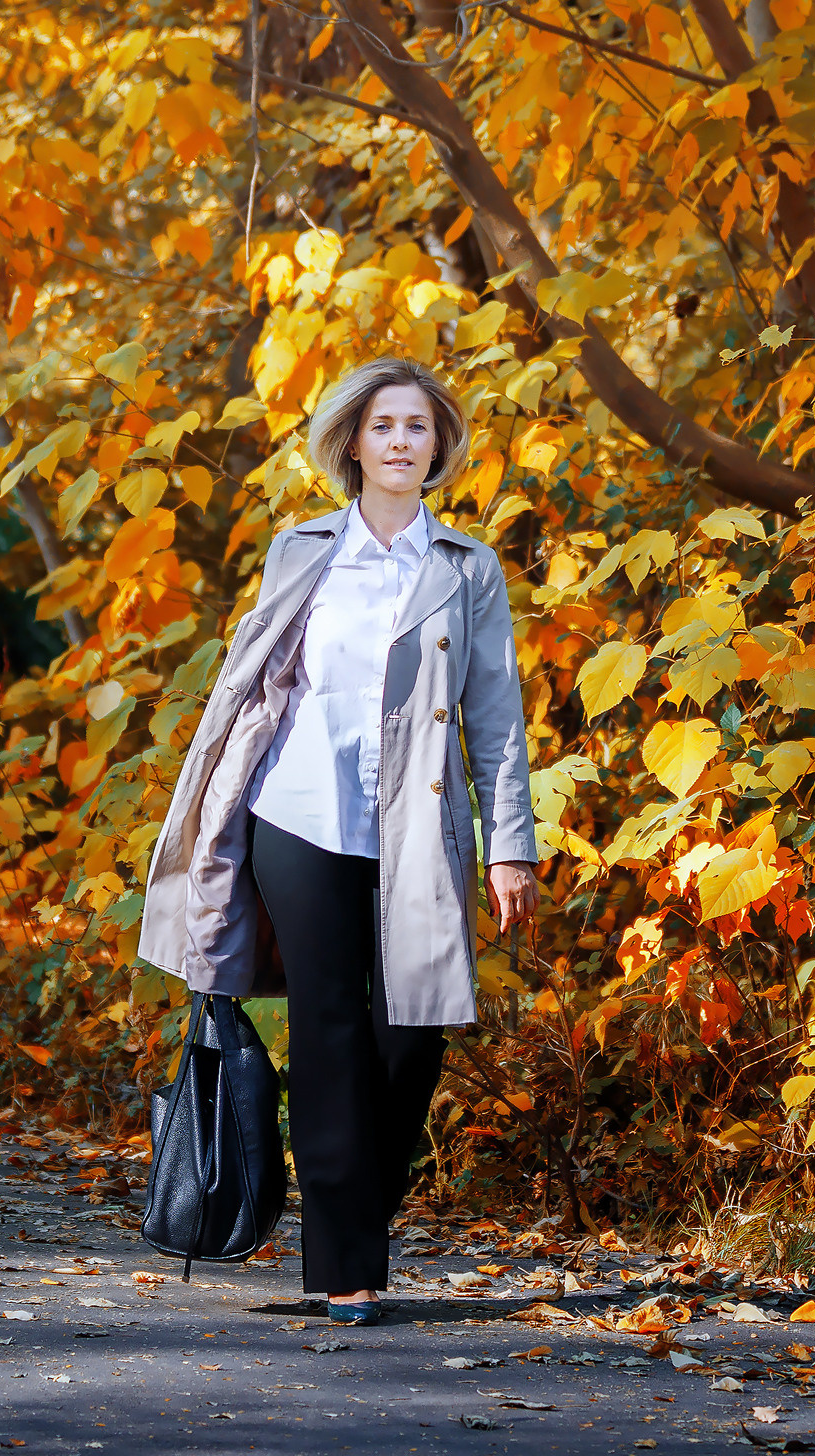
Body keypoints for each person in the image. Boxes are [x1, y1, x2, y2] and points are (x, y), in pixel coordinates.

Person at [136, 357, 539, 1325]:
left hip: (416, 829)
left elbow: (496, 714)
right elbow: (254, 686)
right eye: (384, 425)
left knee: (408, 1039)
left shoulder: (464, 568)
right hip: (299, 816)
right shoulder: (300, 550)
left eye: (418, 427)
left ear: (437, 446)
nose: (402, 441)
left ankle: (352, 1214)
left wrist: (509, 843)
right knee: (322, 1032)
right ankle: (342, 1268)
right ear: (353, 442)